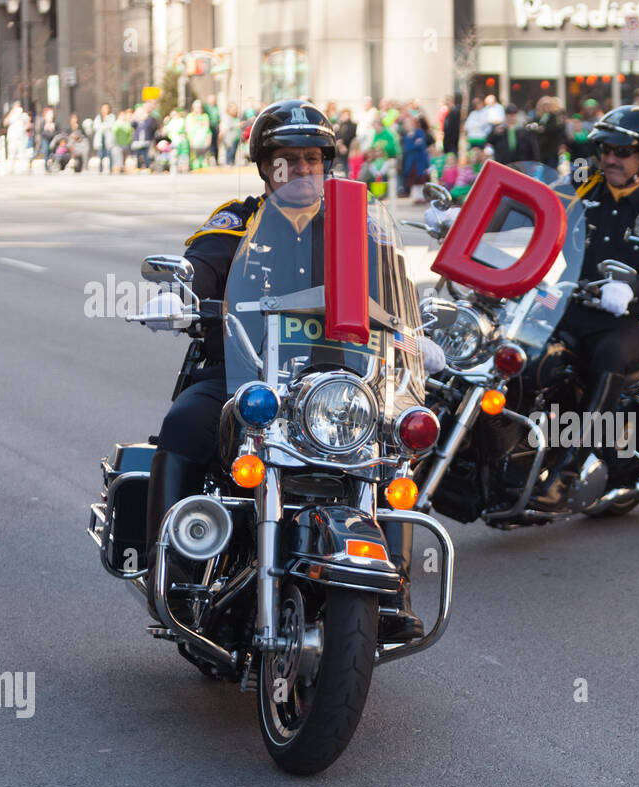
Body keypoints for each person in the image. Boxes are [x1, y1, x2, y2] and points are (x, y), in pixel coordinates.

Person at [145, 99, 438, 642]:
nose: (302, 170)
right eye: (288, 160)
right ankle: (178, 568)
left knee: (393, 448)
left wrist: (418, 339)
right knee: (184, 423)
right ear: (265, 166)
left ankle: (393, 586)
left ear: (327, 162)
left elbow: (395, 291)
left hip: (339, 386)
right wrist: (182, 291)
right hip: (247, 375)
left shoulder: (360, 227)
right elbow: (205, 264)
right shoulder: (238, 220)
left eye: (312, 158)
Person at [532, 105, 639, 511]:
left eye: (621, 151)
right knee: (524, 345)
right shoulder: (587, 185)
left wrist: (633, 290)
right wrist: (463, 215)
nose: (610, 159)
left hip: (629, 322)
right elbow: (539, 209)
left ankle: (569, 469)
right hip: (570, 303)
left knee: (608, 354)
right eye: (605, 149)